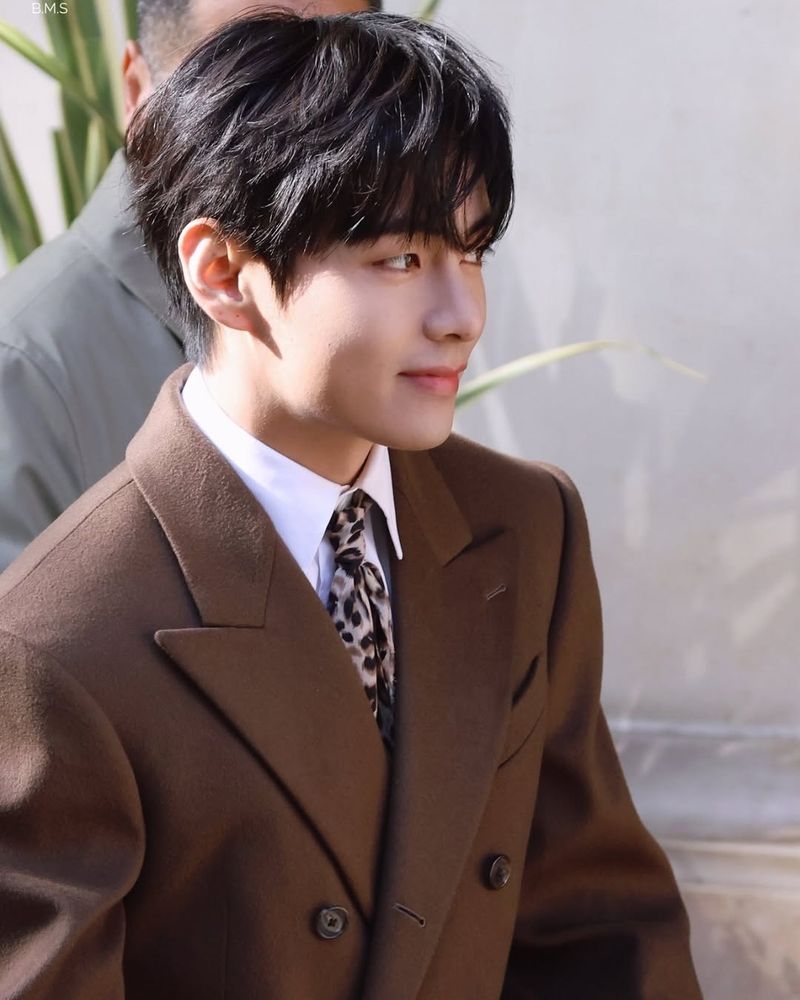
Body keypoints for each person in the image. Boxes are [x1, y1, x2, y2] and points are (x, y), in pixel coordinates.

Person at [0, 11, 702, 999]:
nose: (461, 317)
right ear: (222, 273)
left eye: (471, 253)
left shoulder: (522, 527)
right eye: (400, 260)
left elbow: (598, 929)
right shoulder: (57, 641)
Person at [0, 0, 374, 573]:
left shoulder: (398, 306)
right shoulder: (25, 368)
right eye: (251, 81)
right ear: (137, 92)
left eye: (346, 88)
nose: (308, 134)